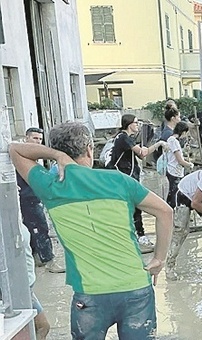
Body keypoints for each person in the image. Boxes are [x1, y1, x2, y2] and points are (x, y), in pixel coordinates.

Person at [10, 122, 173, 339]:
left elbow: (14, 149)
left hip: (90, 297)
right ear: (90, 148)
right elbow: (166, 212)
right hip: (136, 289)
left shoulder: (50, 186)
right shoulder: (119, 180)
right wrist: (158, 259)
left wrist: (56, 155)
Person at [108, 114, 167, 254]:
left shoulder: (124, 138)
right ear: (129, 124)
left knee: (132, 208)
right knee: (134, 207)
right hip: (124, 177)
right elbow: (142, 153)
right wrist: (159, 144)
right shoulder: (124, 138)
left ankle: (136, 237)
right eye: (136, 123)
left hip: (124, 177)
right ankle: (138, 238)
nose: (138, 125)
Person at [16, 127, 65, 273]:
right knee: (40, 228)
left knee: (34, 229)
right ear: (26, 139)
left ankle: (37, 257)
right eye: (34, 138)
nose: (38, 142)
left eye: (40, 139)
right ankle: (49, 261)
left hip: (34, 197)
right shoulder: (20, 157)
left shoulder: (35, 159)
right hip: (26, 199)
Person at [18, 217, 51, 340]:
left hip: (26, 288)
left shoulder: (11, 213)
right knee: (41, 328)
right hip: (16, 291)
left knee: (43, 327)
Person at [165, 121, 194, 207]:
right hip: (175, 171)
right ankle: (175, 213)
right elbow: (180, 160)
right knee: (175, 195)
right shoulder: (174, 142)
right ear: (183, 132)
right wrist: (190, 165)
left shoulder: (170, 140)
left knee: (171, 194)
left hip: (171, 169)